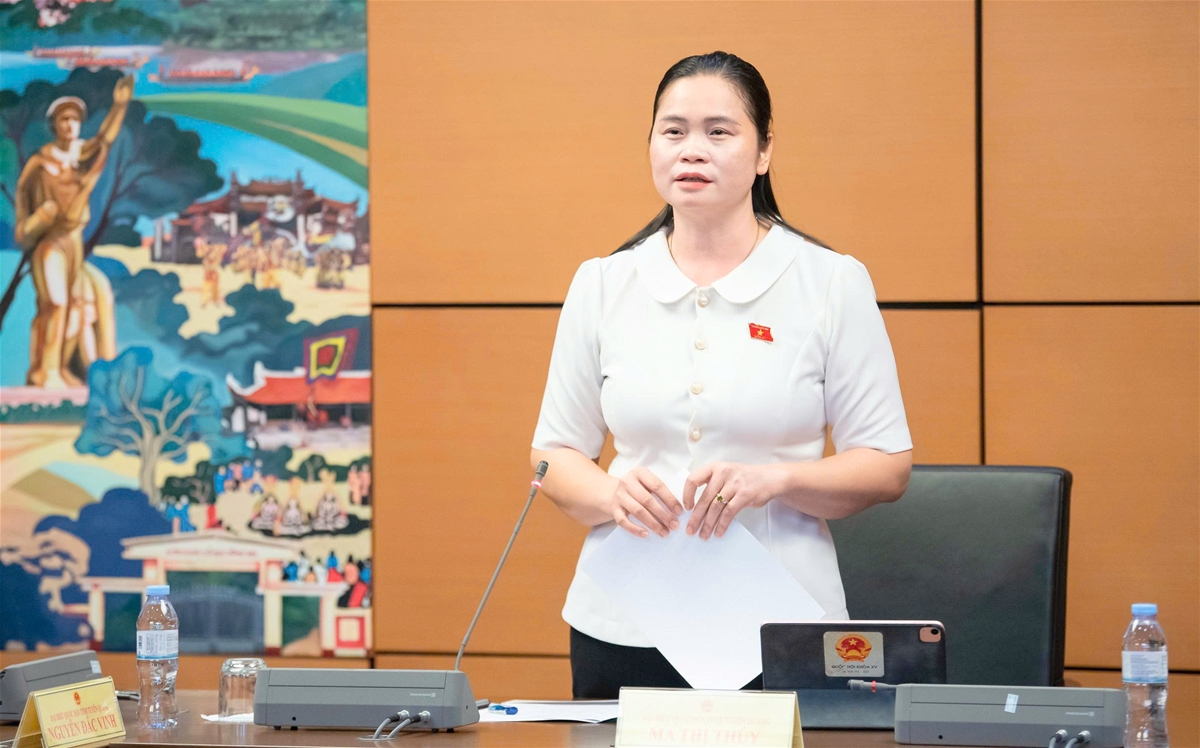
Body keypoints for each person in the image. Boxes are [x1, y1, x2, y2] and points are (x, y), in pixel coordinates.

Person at [530, 52, 912, 700]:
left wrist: (777, 480)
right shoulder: (602, 283)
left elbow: (886, 466)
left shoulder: (828, 281)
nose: (692, 150)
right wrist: (611, 495)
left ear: (764, 152)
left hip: (780, 625)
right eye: (673, 131)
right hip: (622, 623)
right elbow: (553, 455)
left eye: (719, 131)